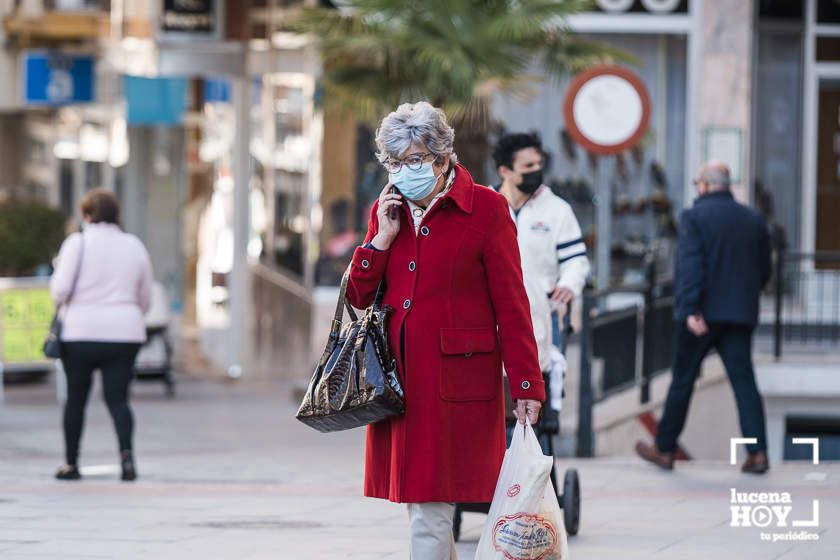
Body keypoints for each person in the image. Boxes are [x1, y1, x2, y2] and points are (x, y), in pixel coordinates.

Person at [346, 101, 545, 559]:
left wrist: (527, 383)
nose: (404, 171)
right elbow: (359, 296)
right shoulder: (386, 208)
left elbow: (512, 304)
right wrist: (381, 241)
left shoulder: (488, 209)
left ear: (442, 157)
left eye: (414, 160)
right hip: (399, 384)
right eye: (395, 162)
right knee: (424, 507)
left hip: (458, 383)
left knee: (431, 507)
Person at [636, 161, 772, 474]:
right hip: (739, 315)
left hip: (702, 317)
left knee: (683, 380)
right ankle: (759, 453)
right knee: (744, 384)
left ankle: (665, 449)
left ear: (705, 185)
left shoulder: (694, 217)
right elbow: (765, 270)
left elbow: (690, 267)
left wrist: (689, 309)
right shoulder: (753, 219)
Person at [50, 188, 154, 482]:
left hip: (79, 333)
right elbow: (145, 296)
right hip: (125, 333)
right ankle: (127, 459)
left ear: (86, 215)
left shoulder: (77, 243)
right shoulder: (134, 245)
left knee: (76, 399)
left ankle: (71, 463)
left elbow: (60, 290)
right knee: (118, 399)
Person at [493, 132, 590, 387]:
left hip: (545, 315)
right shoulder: (486, 206)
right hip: (493, 318)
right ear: (505, 170)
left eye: (539, 165)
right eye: (528, 166)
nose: (536, 171)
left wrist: (569, 284)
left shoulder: (557, 210)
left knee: (541, 392)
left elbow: (576, 260)